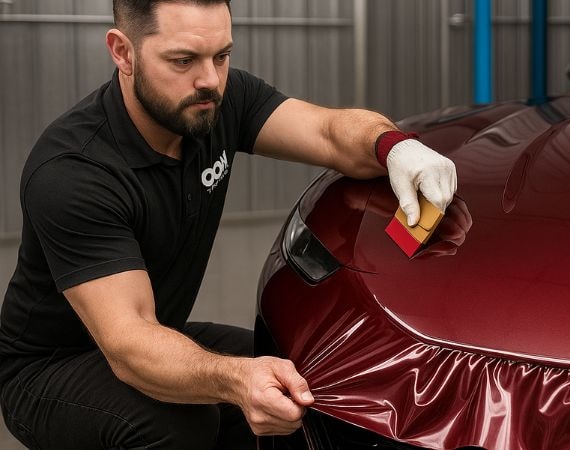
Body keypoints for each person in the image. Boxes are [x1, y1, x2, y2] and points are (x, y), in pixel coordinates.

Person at [0, 0, 456, 448]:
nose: (209, 80)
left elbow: (327, 132)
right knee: (184, 424)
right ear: (123, 53)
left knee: (300, 373)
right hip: (49, 370)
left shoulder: (216, 99)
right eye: (182, 60)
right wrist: (236, 380)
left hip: (154, 333)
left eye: (221, 55)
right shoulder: (74, 171)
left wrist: (393, 147)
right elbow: (131, 344)